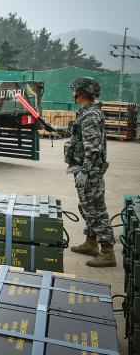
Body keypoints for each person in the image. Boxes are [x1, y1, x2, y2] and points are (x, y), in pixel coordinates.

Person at [66, 77, 116, 267]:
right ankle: (91, 243)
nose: (73, 94)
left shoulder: (90, 115)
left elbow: (92, 146)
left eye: (75, 90)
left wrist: (85, 171)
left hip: (90, 171)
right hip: (86, 169)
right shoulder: (86, 113)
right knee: (87, 206)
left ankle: (108, 252)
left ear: (81, 93)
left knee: (95, 209)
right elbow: (79, 135)